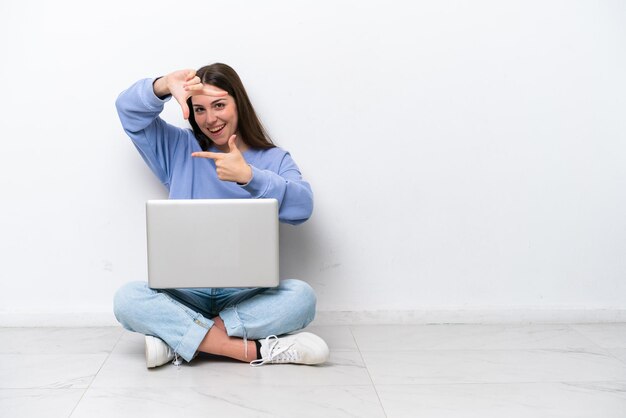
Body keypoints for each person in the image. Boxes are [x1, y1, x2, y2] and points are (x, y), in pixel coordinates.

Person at [113, 63, 329, 368]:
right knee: (127, 299)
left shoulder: (272, 159)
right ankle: (253, 351)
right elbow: (128, 111)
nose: (210, 119)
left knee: (302, 298)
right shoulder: (178, 148)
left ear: (238, 104)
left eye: (219, 105)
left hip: (244, 296)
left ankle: (180, 340)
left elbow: (303, 207)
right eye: (199, 109)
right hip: (183, 292)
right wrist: (163, 84)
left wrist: (250, 177)